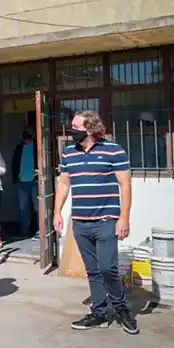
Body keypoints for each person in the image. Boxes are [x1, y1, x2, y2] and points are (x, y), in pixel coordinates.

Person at [53, 110, 138, 335]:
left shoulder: (113, 150)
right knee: (92, 270)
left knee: (107, 268)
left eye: (75, 127)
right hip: (80, 222)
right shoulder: (69, 152)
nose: (71, 130)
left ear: (90, 129)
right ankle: (99, 313)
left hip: (106, 221)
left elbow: (125, 185)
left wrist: (124, 218)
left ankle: (121, 309)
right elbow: (63, 184)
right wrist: (57, 212)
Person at [12, 126, 39, 238]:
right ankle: (24, 231)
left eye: (29, 132)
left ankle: (40, 230)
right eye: (26, 132)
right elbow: (14, 163)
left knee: (38, 208)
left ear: (34, 134)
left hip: (35, 181)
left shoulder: (38, 147)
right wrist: (15, 178)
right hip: (21, 182)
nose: (27, 134)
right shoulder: (19, 148)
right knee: (23, 208)